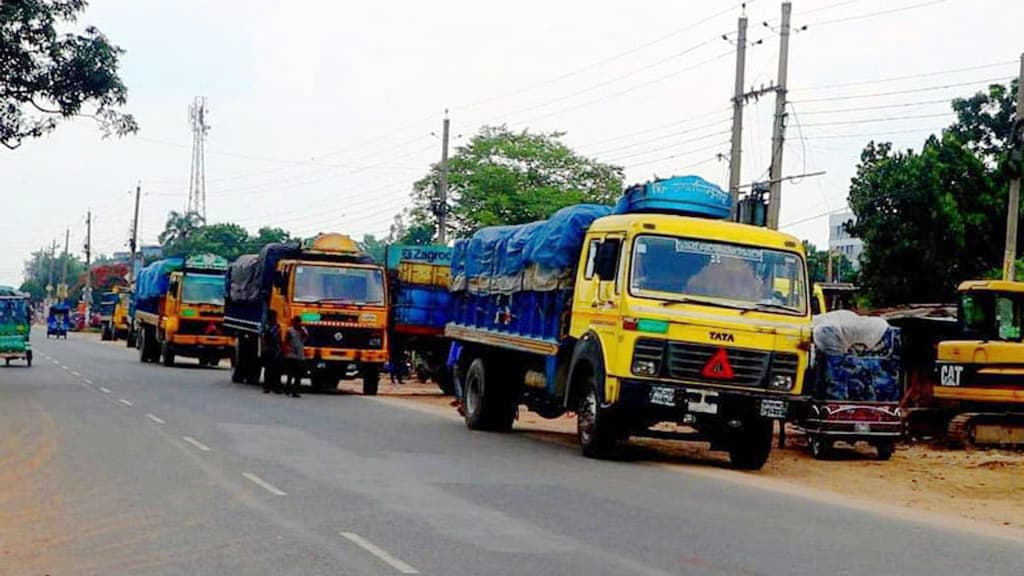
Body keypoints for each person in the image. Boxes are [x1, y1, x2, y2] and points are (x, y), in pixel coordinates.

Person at [284, 315, 308, 398]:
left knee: (299, 375)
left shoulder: (303, 330)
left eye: (299, 322)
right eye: (296, 322)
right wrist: (287, 350)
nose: (298, 324)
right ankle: (288, 389)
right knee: (290, 374)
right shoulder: (290, 331)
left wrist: (301, 330)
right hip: (291, 355)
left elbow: (306, 338)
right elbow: (286, 341)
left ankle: (295, 391)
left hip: (300, 355)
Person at [261, 310, 283, 394]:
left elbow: (279, 338)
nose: (275, 319)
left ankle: (276, 387)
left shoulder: (277, 327)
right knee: (269, 369)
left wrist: (281, 348)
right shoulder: (266, 327)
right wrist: (265, 348)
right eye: (274, 317)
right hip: (269, 349)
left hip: (276, 350)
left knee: (277, 370)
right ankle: (267, 387)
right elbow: (263, 338)